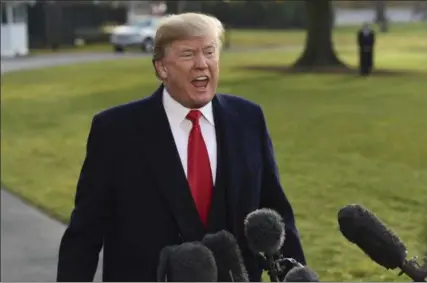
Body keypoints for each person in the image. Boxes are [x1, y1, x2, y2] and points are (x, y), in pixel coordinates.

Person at [57, 12, 306, 282]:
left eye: (209, 52)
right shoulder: (116, 131)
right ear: (162, 68)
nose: (202, 64)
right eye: (188, 54)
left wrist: (298, 274)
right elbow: (85, 232)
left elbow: (277, 214)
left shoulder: (248, 118)